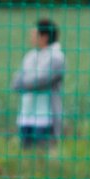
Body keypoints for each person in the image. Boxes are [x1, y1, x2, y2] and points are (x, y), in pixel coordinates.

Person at [11, 18, 65, 150]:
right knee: (26, 151)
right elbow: (16, 81)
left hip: (46, 116)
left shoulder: (57, 57)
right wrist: (27, 82)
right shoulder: (30, 56)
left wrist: (26, 82)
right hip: (27, 114)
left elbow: (42, 80)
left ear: (44, 37)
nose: (31, 38)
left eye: (34, 34)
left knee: (43, 153)